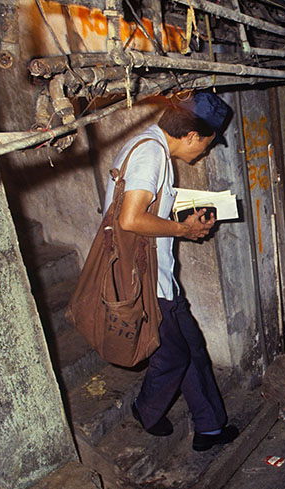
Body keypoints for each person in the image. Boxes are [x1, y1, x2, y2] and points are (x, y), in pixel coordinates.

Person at [103, 91, 237, 451]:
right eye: (208, 144)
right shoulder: (150, 153)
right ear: (192, 135)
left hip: (161, 276)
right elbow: (130, 219)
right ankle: (146, 410)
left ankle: (210, 427)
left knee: (192, 347)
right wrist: (184, 230)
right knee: (173, 356)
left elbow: (147, 208)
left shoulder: (151, 147)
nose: (205, 153)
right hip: (145, 282)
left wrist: (183, 216)